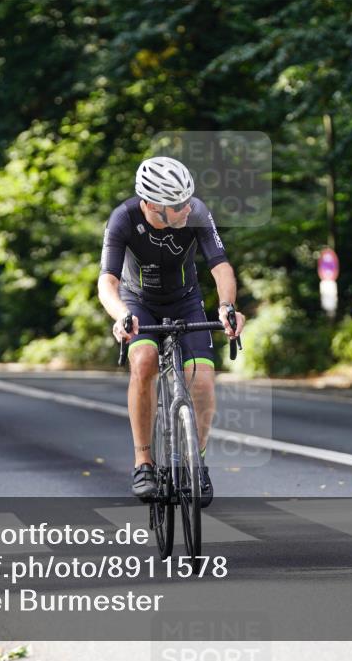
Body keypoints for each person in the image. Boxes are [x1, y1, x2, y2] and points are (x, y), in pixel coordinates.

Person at [98, 157, 246, 506]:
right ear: (150, 204)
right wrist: (120, 315)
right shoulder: (124, 218)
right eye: (175, 205)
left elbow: (220, 266)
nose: (185, 209)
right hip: (137, 302)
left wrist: (226, 306)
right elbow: (108, 281)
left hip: (185, 300)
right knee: (145, 359)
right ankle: (143, 462)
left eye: (186, 200)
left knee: (204, 379)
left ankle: (197, 462)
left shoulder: (196, 212)